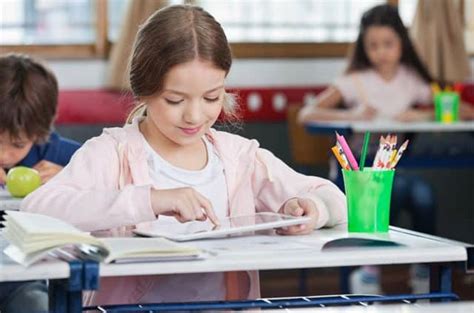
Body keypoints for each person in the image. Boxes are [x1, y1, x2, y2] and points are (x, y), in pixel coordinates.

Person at [22, 4, 347, 307]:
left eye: (211, 97)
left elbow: (333, 199)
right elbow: (36, 210)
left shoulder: (239, 159)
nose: (194, 115)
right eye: (175, 100)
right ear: (144, 89)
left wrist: (311, 208)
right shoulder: (112, 153)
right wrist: (149, 200)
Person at [298, 4, 435, 295]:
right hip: (357, 172)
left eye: (388, 44)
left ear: (402, 43)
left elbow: (457, 108)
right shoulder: (354, 82)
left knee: (424, 197)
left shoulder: (410, 80)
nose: (381, 51)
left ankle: (424, 271)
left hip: (393, 167)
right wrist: (352, 116)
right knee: (394, 191)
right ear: (363, 47)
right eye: (373, 45)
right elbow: (307, 114)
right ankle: (370, 271)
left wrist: (419, 115)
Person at [0, 54, 81, 313]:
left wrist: (70, 179)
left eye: (17, 144)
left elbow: (112, 187)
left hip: (27, 281)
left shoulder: (65, 157)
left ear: (38, 134)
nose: (3, 155)